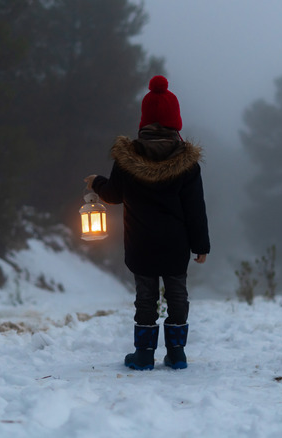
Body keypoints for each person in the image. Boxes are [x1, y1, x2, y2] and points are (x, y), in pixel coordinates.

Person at [84, 75, 210, 370]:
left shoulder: (127, 159)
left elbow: (114, 195)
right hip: (176, 244)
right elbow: (195, 208)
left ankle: (143, 355)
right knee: (178, 294)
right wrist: (200, 244)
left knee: (146, 297)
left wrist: (96, 183)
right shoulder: (187, 165)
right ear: (175, 122)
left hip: (141, 242)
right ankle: (177, 353)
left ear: (144, 123)